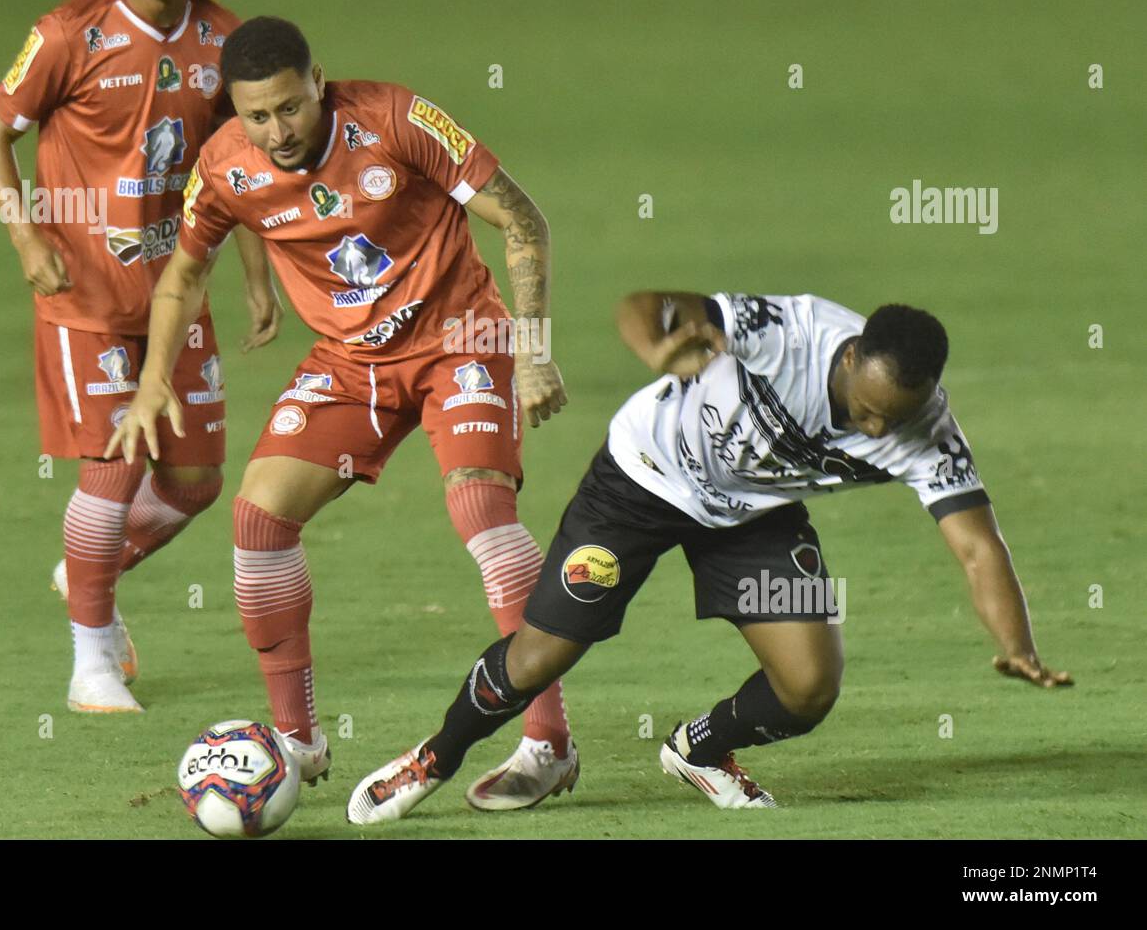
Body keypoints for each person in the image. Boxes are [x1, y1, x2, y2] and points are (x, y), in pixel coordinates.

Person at [346, 290, 1073, 823]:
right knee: (539, 656)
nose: (876, 426)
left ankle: (698, 749)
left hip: (750, 514)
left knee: (809, 684)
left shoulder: (928, 432)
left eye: (895, 416)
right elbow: (646, 302)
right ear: (848, 356)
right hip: (643, 476)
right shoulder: (789, 331)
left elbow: (978, 546)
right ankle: (433, 756)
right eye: (865, 407)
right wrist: (656, 346)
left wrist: (1018, 645)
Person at [108, 16, 579, 806]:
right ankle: (296, 739)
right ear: (235, 109)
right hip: (350, 363)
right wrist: (154, 379)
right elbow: (185, 273)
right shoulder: (225, 164)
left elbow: (522, 217)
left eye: (291, 108)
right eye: (257, 115)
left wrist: (531, 349)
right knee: (258, 519)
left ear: (317, 81)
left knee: (482, 512)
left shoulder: (394, 119)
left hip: (459, 337)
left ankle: (548, 743)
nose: (277, 130)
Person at [0, 0, 278, 716]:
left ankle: (86, 570)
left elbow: (237, 160)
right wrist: (26, 233)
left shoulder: (226, 38)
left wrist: (258, 270)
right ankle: (90, 663)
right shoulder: (69, 32)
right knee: (110, 473)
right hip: (85, 296)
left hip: (177, 292)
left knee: (194, 482)